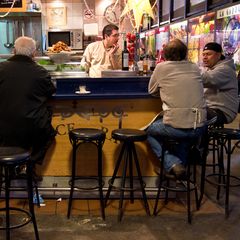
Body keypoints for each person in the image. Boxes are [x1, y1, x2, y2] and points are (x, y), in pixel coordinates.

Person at [146, 39, 207, 179]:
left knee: (149, 131)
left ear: (165, 54)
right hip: (200, 127)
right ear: (185, 53)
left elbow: (151, 91)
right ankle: (180, 172)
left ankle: (172, 164)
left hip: (176, 126)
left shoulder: (161, 67)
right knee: (185, 135)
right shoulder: (194, 67)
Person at [0, 36, 56, 180]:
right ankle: (29, 165)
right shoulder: (40, 72)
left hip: (4, 127)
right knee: (48, 134)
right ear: (34, 54)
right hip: (33, 127)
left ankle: (10, 168)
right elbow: (51, 91)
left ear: (13, 51)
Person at [202, 42, 238, 125]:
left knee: (192, 115)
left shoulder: (225, 70)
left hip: (222, 111)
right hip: (210, 108)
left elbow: (205, 79)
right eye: (203, 54)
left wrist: (187, 74)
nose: (205, 57)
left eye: (208, 54)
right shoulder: (211, 69)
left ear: (218, 55)